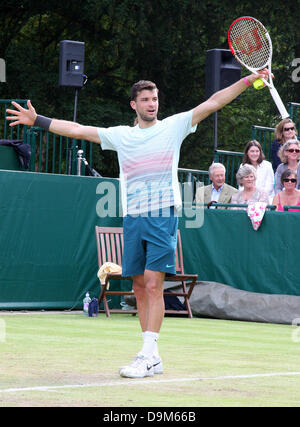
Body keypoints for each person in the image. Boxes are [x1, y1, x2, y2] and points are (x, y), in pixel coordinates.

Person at [6, 70, 269, 379]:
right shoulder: (121, 135)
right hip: (133, 217)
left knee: (154, 282)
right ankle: (153, 356)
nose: (151, 104)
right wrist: (39, 120)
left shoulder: (173, 127)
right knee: (139, 286)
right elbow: (77, 129)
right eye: (145, 100)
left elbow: (212, 103)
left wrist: (248, 81)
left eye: (154, 99)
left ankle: (146, 353)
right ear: (134, 105)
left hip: (161, 214)